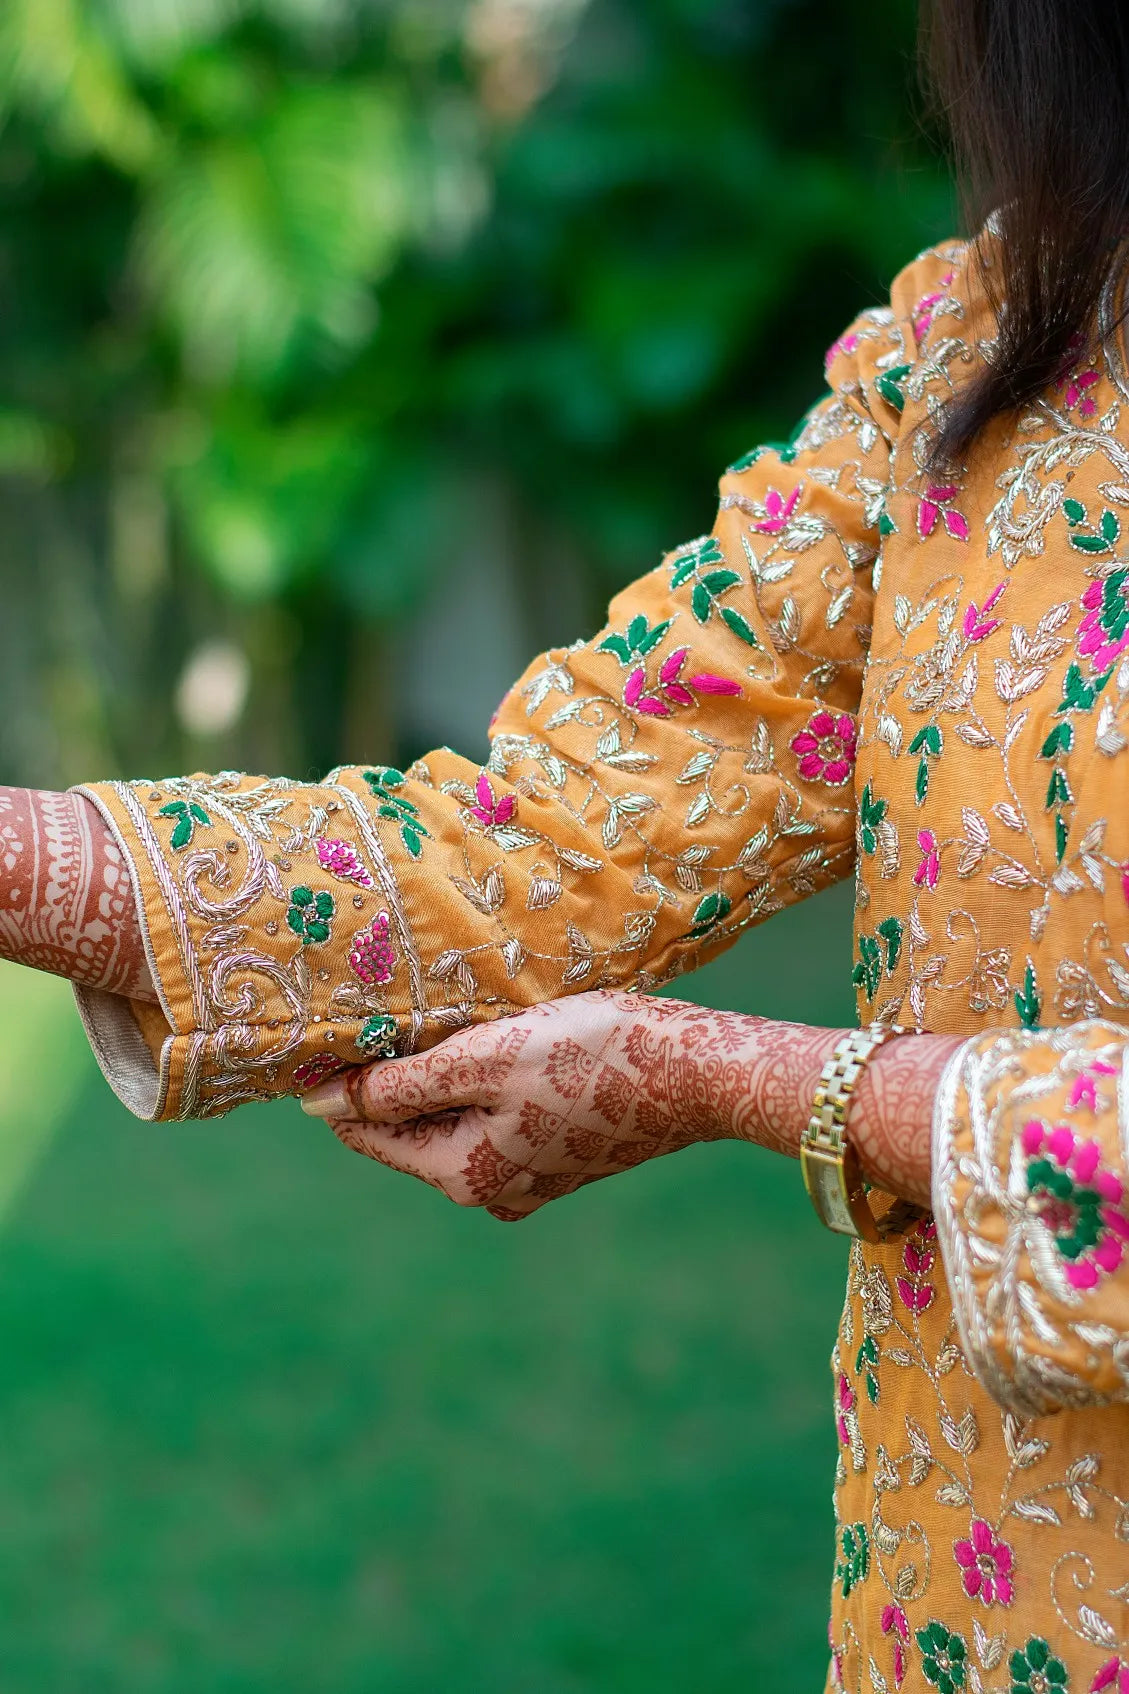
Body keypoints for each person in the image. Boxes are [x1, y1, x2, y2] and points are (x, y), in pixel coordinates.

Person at [3, 0, 1129, 1685]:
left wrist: (755, 1082)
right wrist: (26, 865)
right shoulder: (994, 342)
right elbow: (551, 840)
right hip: (955, 1606)